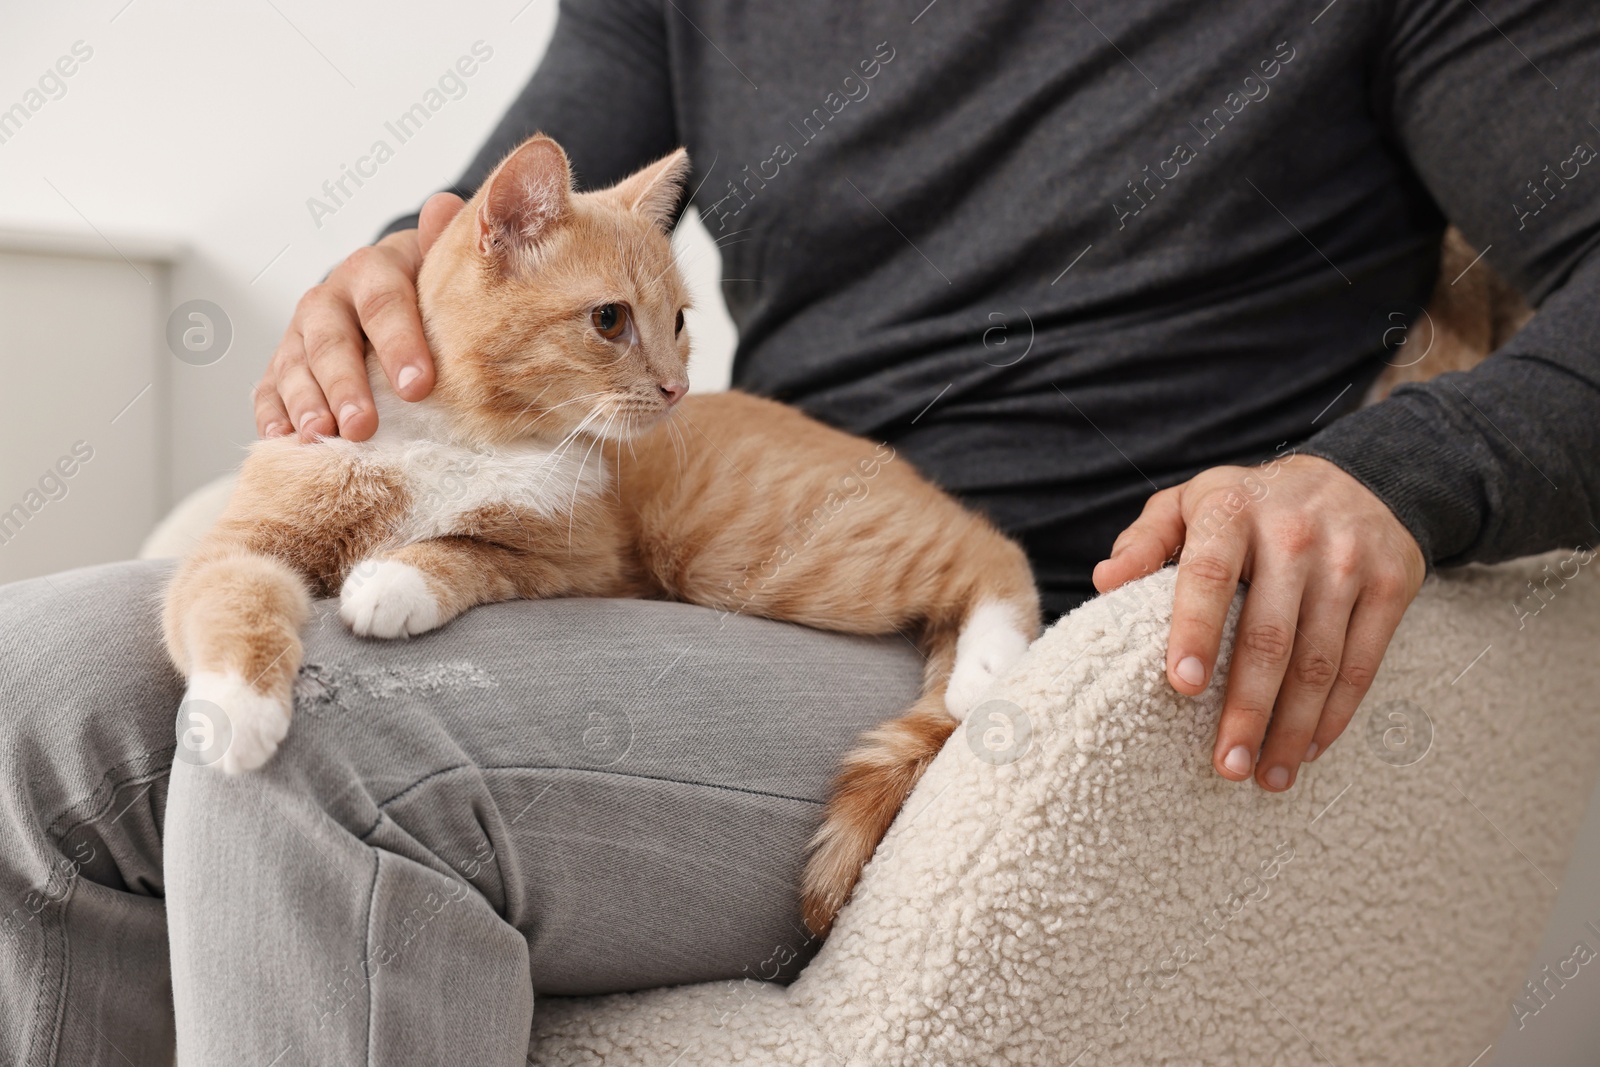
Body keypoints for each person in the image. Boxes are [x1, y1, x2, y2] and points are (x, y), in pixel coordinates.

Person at [3, 1, 1597, 1061]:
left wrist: (1397, 469)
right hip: (708, 564)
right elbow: (508, 223)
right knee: (34, 690)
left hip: (1055, 629)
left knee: (328, 742)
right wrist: (380, 297)